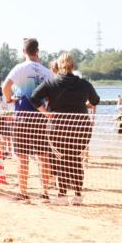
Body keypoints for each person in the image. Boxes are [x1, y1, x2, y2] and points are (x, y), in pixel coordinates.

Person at [30, 53, 100, 205]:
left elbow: (33, 97)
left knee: (61, 159)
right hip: (81, 127)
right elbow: (96, 100)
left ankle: (62, 195)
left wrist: (47, 114)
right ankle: (78, 195)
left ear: (59, 66)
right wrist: (84, 102)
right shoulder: (84, 83)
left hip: (57, 126)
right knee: (76, 159)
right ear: (72, 66)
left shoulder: (51, 83)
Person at [2, 38, 54, 203]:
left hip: (23, 116)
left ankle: (23, 193)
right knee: (43, 156)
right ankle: (45, 192)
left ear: (24, 52)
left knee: (22, 156)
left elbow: (5, 87)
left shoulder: (20, 68)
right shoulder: (47, 72)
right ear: (37, 51)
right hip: (40, 117)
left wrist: (9, 100)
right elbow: (52, 95)